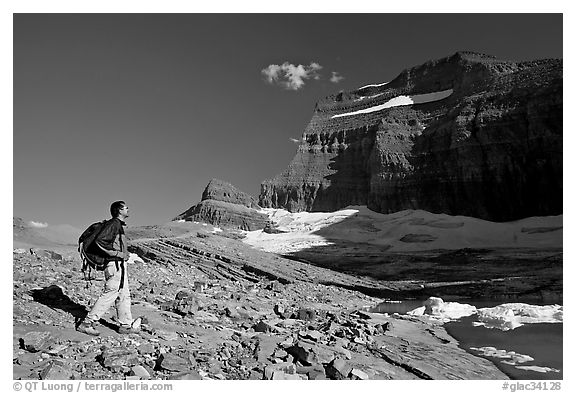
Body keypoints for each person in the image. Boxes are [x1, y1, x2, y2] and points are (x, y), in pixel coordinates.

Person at [77, 201, 140, 336]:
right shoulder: (114, 224)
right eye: (125, 207)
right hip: (114, 264)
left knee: (123, 294)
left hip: (118, 264)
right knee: (111, 292)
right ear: (119, 210)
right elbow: (100, 240)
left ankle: (126, 325)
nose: (128, 209)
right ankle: (87, 323)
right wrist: (118, 254)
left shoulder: (118, 225)